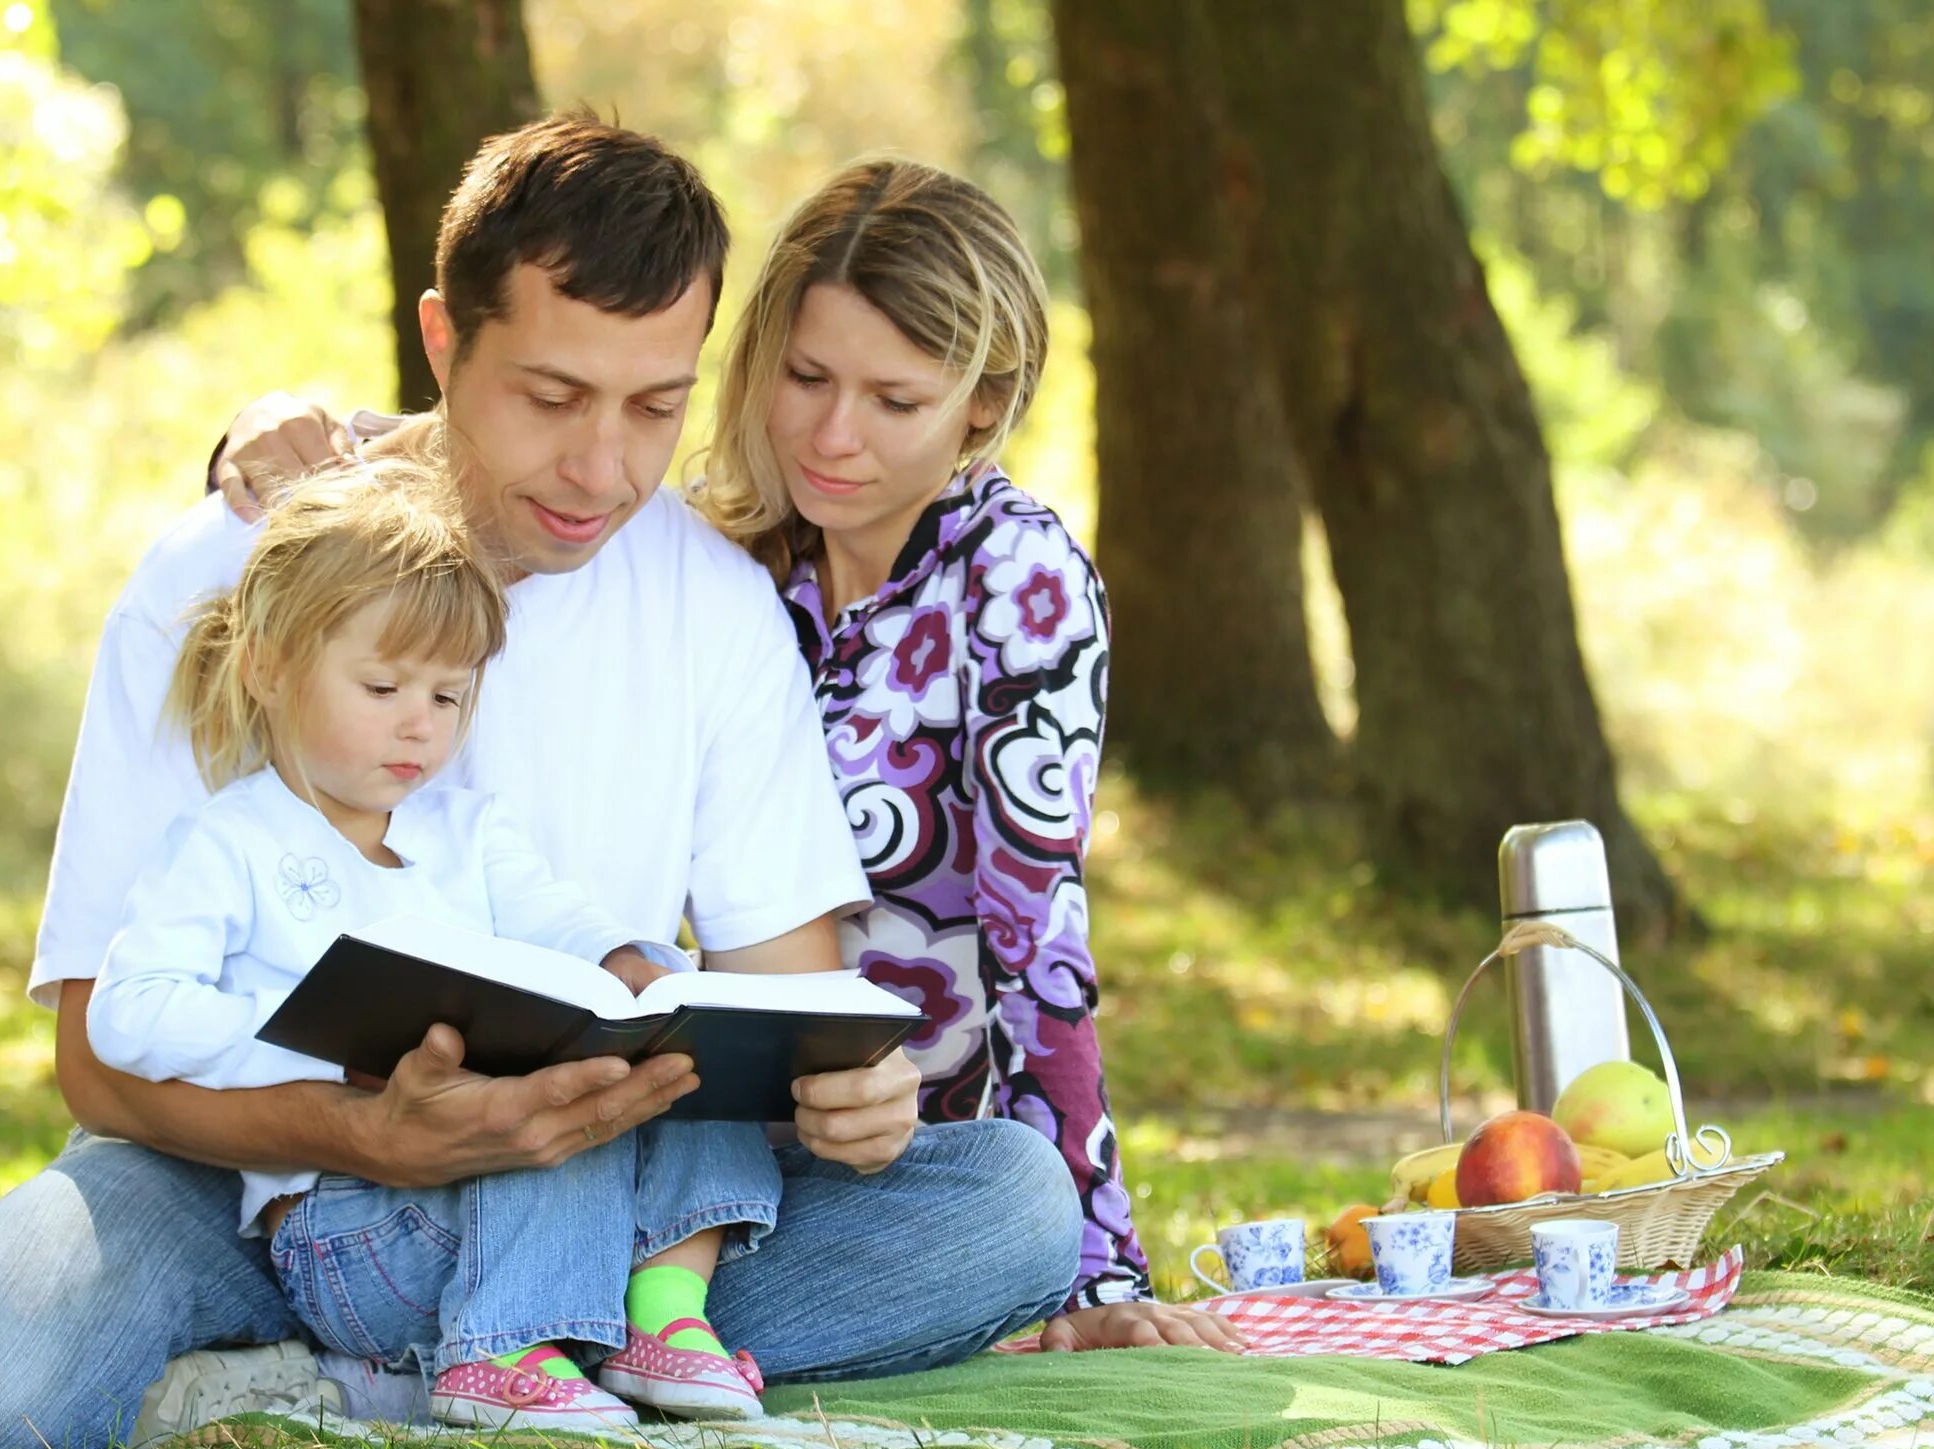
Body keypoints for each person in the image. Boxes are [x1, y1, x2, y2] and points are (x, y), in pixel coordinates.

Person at [0, 114, 1083, 1449]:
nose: (602, 467)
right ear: (440, 339)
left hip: (572, 1189)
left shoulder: (712, 607)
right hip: (239, 1183)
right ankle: (423, 1375)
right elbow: (98, 1056)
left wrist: (847, 1095)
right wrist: (359, 1130)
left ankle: (315, 1393)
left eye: (654, 406)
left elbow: (780, 1007)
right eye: (550, 396)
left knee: (1005, 1207)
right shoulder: (220, 575)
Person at [203, 158, 1246, 1355]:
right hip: (706, 1113)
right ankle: (575, 1338)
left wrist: (1095, 1266)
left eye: (894, 401)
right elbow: (463, 461)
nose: (833, 434)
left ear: (978, 403)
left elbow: (1039, 942)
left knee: (1009, 1206)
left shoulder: (1014, 581)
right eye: (804, 378)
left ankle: (541, 1338)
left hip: (895, 1126)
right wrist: (265, 437)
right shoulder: (732, 548)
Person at [87, 442, 779, 1431]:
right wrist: (334, 1046)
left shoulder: (468, 831)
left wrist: (625, 966)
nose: (420, 727)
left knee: (686, 1071)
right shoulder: (229, 843)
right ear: (268, 667)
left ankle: (663, 1320)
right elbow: (129, 1014)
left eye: (447, 696)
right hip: (351, 1223)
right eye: (383, 690)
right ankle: (497, 1353)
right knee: (543, 1119)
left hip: (479, 1206)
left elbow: (556, 918)